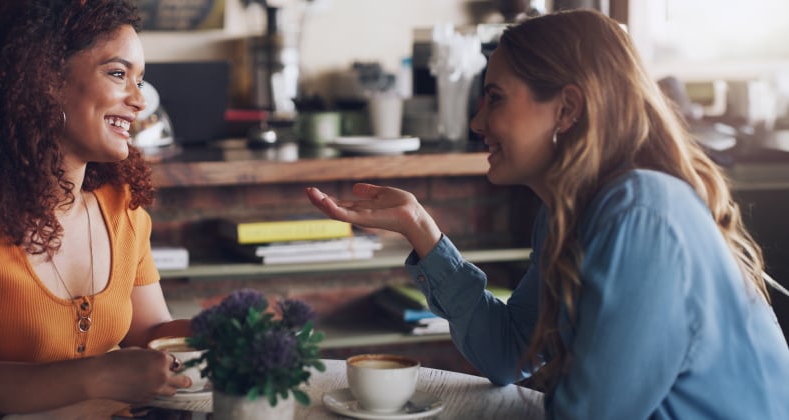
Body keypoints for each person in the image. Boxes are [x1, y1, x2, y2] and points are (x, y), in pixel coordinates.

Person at [306, 9, 789, 419]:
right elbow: (508, 353)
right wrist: (422, 231)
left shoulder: (641, 215)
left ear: (567, 109)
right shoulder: (569, 212)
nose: (476, 123)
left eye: (495, 98)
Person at [0, 1, 193, 418]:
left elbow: (148, 335)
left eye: (139, 80)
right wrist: (101, 376)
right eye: (117, 74)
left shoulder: (120, 202)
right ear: (44, 80)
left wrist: (230, 331)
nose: (138, 100)